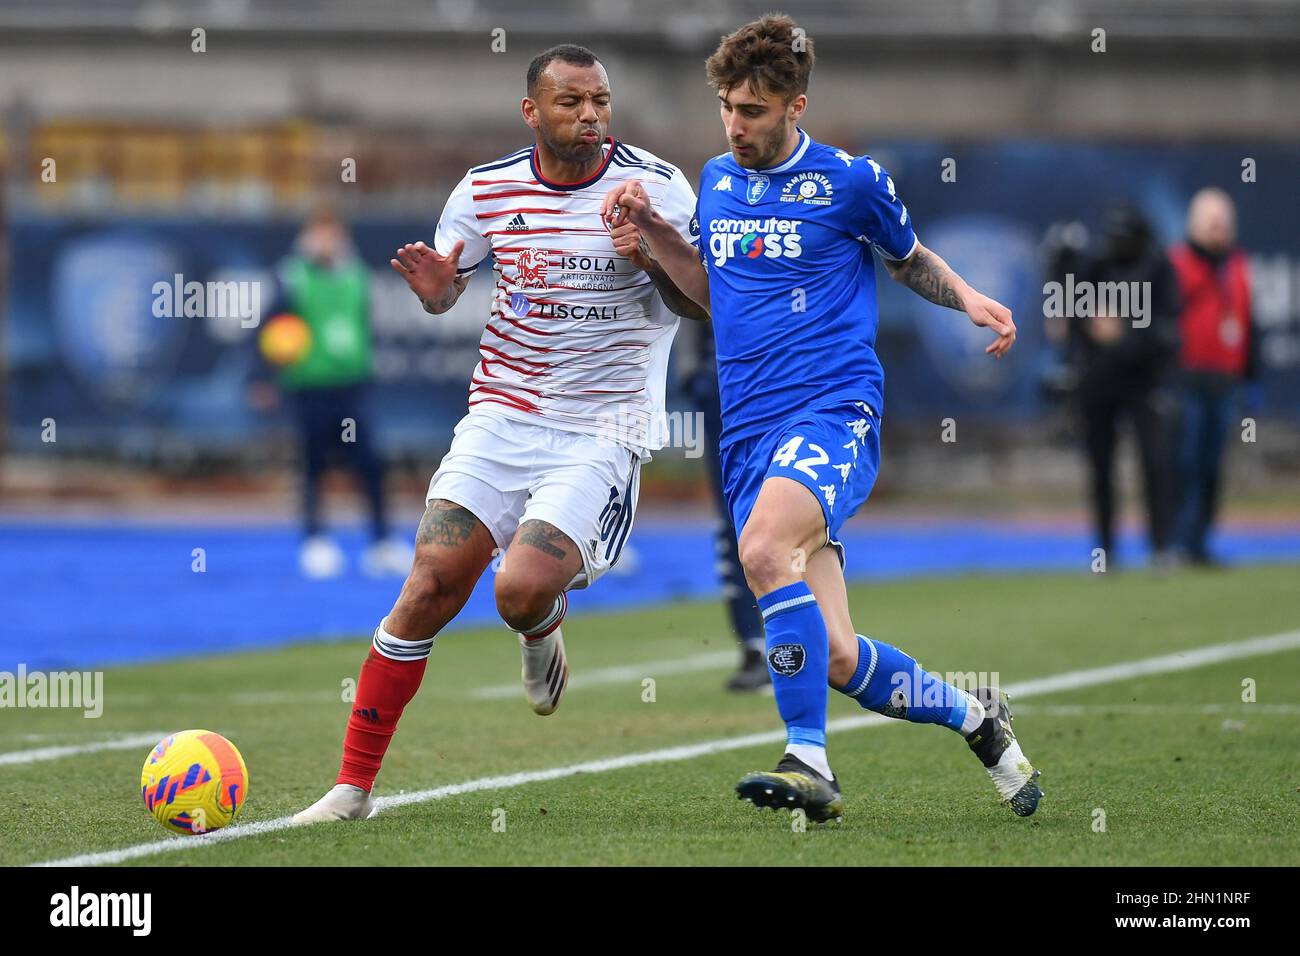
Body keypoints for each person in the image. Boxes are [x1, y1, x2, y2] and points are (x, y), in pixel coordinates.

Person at [603, 14, 1041, 822]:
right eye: (729, 107)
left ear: (795, 106)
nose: (737, 124)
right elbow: (709, 299)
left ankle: (809, 759)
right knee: (837, 654)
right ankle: (979, 718)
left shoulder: (851, 182)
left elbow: (909, 260)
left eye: (755, 110)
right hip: (747, 432)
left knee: (765, 549)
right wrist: (656, 239)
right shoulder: (719, 181)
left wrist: (971, 297)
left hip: (832, 411)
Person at [294, 45, 705, 823]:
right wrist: (437, 291)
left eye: (601, 101)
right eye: (572, 102)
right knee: (428, 583)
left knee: (517, 589)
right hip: (502, 415)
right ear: (532, 112)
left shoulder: (656, 187)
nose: (590, 116)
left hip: (602, 428)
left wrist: (652, 252)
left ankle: (538, 625)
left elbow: (704, 303)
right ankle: (352, 789)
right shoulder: (486, 189)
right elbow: (448, 291)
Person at [271, 209, 410, 579]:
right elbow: (273, 329)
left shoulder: (358, 276)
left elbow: (366, 325)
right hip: (310, 386)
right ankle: (315, 541)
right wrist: (269, 374)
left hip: (352, 386)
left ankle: (381, 542)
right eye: (319, 234)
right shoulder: (292, 278)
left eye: (332, 234)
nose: (326, 242)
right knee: (313, 465)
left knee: (369, 465)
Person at [1062, 203, 1182, 567]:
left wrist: (1125, 334)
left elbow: (1167, 328)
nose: (1117, 244)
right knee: (1100, 465)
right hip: (1100, 379)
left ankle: (1161, 547)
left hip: (1143, 379)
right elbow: (1073, 312)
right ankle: (1105, 550)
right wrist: (1090, 328)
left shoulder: (1158, 268)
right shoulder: (1096, 265)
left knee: (1155, 462)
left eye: (1125, 237)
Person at [677, 319, 769, 690]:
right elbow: (683, 291)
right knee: (733, 521)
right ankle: (754, 647)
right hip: (723, 389)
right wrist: (693, 374)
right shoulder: (711, 257)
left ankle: (808, 640)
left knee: (794, 519)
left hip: (785, 386)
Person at [1169, 188, 1256, 566]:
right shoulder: (1178, 264)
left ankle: (1200, 542)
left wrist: (1251, 375)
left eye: (1223, 223)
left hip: (1225, 379)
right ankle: (1178, 541)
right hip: (1188, 377)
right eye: (1212, 222)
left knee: (1212, 464)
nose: (1219, 230)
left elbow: (1250, 322)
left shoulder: (1237, 265)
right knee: (1185, 459)